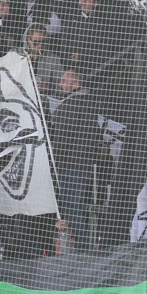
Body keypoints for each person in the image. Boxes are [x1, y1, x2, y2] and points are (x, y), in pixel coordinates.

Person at [48, 67, 102, 252]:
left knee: (71, 208)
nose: (60, 83)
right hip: (83, 164)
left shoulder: (72, 104)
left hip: (69, 165)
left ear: (76, 84)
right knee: (74, 207)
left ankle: (81, 250)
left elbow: (62, 137)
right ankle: (82, 248)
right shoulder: (90, 103)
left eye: (64, 80)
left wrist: (52, 160)